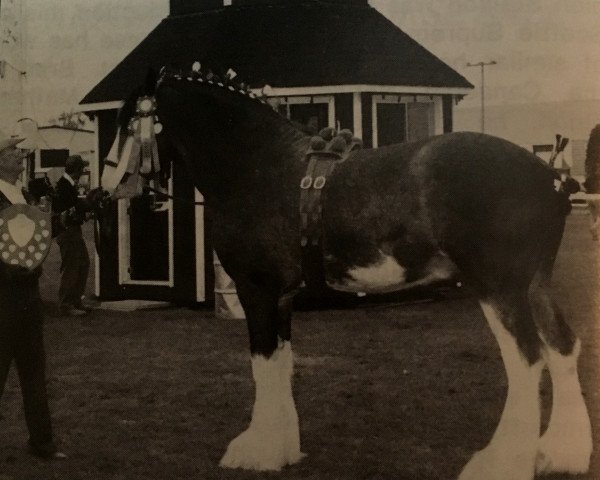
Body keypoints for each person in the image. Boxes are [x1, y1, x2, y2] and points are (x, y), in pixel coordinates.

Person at [0, 130, 66, 459]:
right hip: (2, 299)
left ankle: (42, 443)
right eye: (13, 152)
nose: (20, 156)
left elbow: (33, 241)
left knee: (34, 374)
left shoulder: (21, 193)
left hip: (27, 297)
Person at [53, 154, 91, 316]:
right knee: (72, 266)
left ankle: (75, 300)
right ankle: (66, 304)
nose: (83, 171)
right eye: (81, 168)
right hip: (68, 231)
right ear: (77, 169)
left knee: (83, 263)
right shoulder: (64, 186)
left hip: (72, 230)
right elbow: (68, 211)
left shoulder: (67, 184)